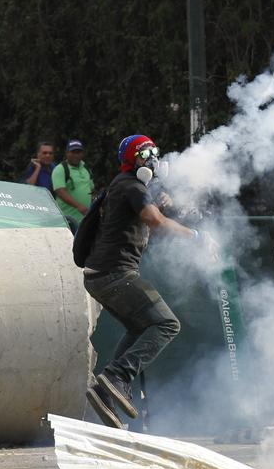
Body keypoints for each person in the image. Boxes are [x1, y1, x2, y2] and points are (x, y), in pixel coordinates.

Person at [83, 134, 216, 429]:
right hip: (115, 275)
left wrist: (160, 210)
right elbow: (155, 222)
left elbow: (146, 225)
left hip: (102, 276)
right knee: (168, 324)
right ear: (134, 161)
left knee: (140, 325)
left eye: (154, 152)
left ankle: (105, 390)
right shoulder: (131, 186)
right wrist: (196, 237)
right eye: (147, 154)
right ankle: (117, 377)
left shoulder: (125, 188)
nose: (154, 159)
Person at [52, 139, 94, 232]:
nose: (76, 155)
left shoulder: (85, 167)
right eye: (73, 152)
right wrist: (79, 206)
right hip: (67, 220)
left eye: (78, 152)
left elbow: (91, 189)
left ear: (82, 154)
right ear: (67, 153)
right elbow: (60, 191)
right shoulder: (60, 169)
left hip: (85, 219)